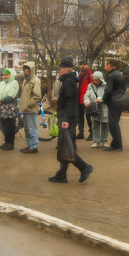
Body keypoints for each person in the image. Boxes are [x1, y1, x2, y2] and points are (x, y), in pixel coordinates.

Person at [48, 56, 95, 184]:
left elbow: (70, 102)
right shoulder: (68, 80)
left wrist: (66, 119)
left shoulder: (68, 81)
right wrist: (61, 118)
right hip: (66, 117)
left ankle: (85, 167)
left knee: (67, 147)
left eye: (60, 68)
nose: (58, 70)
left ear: (66, 69)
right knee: (64, 146)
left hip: (68, 119)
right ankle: (61, 175)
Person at [102, 59, 126, 152]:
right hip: (120, 100)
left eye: (105, 65)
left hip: (114, 100)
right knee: (114, 122)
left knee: (112, 123)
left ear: (110, 65)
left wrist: (103, 99)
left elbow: (108, 90)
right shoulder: (119, 74)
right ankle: (117, 144)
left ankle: (117, 145)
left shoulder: (111, 75)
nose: (105, 67)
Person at [19, 62, 42, 154]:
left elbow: (37, 96)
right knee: (27, 129)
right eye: (25, 69)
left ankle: (33, 146)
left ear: (31, 70)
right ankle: (30, 145)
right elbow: (24, 94)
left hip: (31, 109)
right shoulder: (26, 80)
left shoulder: (35, 80)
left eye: (28, 70)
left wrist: (29, 104)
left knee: (32, 128)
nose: (26, 71)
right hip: (25, 109)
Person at [0, 68, 20, 150]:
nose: (4, 76)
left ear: (11, 75)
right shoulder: (1, 83)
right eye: (4, 74)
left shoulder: (14, 83)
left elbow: (11, 94)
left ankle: (10, 143)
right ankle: (6, 141)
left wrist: (2, 100)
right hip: (2, 107)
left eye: (6, 74)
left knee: (10, 125)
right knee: (3, 124)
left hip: (10, 107)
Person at [84, 71, 109, 147]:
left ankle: (104, 141)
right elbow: (86, 95)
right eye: (94, 79)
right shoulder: (90, 86)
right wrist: (87, 102)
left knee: (105, 124)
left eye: (96, 79)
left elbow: (107, 95)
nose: (94, 81)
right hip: (94, 108)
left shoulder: (106, 86)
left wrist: (99, 99)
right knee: (95, 124)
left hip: (104, 108)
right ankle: (96, 141)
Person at [77, 60, 93, 140]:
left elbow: (92, 86)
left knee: (88, 116)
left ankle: (92, 132)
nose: (82, 67)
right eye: (81, 65)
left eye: (84, 65)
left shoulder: (90, 75)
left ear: (87, 65)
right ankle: (80, 132)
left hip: (87, 99)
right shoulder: (80, 74)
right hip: (80, 98)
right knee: (80, 116)